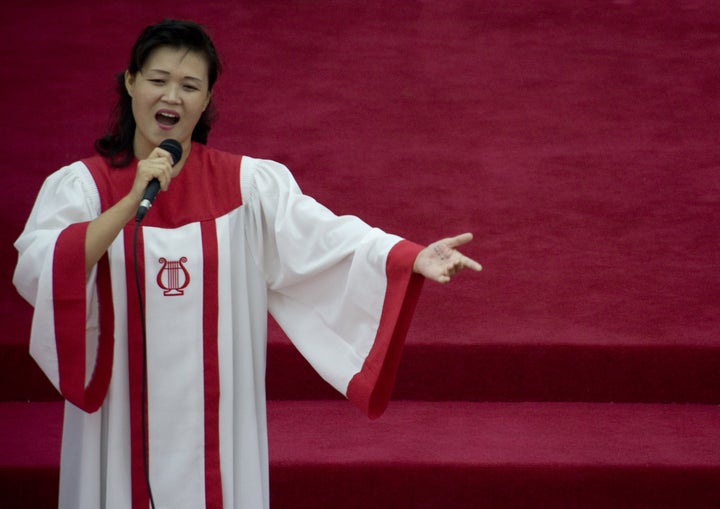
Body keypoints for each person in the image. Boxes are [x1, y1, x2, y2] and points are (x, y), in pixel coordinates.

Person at [13, 19, 482, 509]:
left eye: (189, 86)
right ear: (130, 82)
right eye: (157, 80)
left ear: (207, 97)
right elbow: (42, 268)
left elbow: (323, 238)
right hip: (119, 414)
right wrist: (129, 201)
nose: (171, 96)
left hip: (219, 417)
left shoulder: (248, 186)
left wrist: (408, 256)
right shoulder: (82, 187)